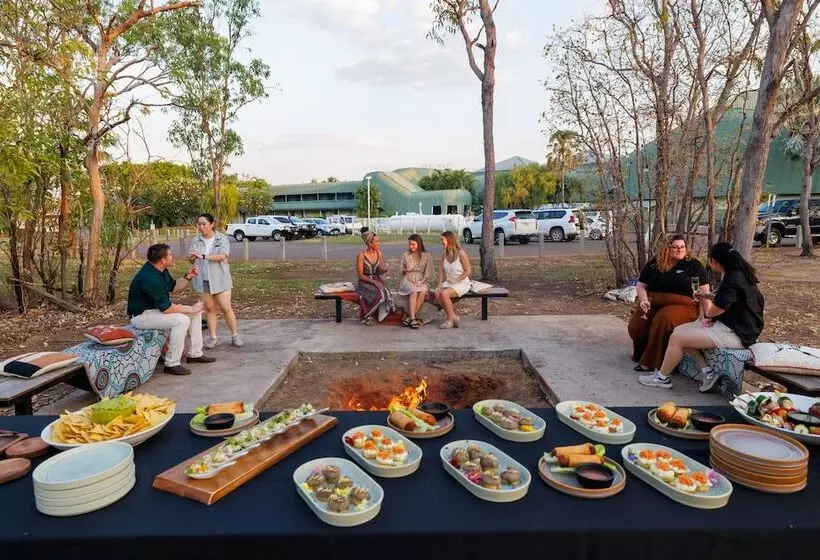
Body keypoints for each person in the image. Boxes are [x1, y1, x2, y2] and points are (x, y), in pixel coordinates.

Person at [639, 242, 765, 392]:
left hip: (737, 333)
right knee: (678, 331)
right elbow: (729, 301)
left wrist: (709, 314)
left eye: (710, 261)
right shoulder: (738, 273)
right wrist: (706, 295)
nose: (710, 264)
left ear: (715, 261)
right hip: (734, 325)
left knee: (677, 339)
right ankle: (708, 373)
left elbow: (715, 309)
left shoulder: (733, 280)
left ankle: (662, 378)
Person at [127, 243, 216, 376]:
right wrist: (190, 308)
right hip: (141, 316)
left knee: (195, 313)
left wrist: (187, 276)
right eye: (170, 255)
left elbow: (173, 286)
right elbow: (167, 309)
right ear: (163, 260)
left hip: (154, 311)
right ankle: (172, 363)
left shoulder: (159, 269)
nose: (172, 256)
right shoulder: (149, 278)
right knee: (182, 320)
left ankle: (195, 354)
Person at [628, 234, 710, 372]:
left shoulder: (694, 265)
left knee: (664, 318)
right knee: (637, 324)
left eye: (682, 247)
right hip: (653, 301)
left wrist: (707, 314)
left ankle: (652, 362)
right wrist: (644, 300)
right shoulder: (654, 264)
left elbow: (704, 290)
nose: (680, 250)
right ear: (666, 248)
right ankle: (640, 354)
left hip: (684, 305)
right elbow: (641, 285)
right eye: (675, 247)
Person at [188, 213, 243, 349]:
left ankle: (235, 335)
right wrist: (192, 258)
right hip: (202, 279)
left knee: (225, 308)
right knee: (210, 308)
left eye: (204, 224)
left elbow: (222, 256)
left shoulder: (221, 238)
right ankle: (213, 337)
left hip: (220, 279)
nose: (201, 227)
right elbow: (191, 259)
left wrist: (203, 256)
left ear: (212, 224)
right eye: (199, 224)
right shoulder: (196, 240)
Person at [356, 228, 394, 325]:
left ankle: (379, 315)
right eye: (376, 242)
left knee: (386, 293)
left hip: (377, 280)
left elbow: (378, 270)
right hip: (364, 281)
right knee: (378, 295)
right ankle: (368, 315)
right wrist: (373, 282)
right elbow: (360, 275)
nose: (379, 243)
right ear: (370, 243)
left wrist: (384, 270)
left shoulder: (379, 254)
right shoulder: (361, 255)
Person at [434, 231, 471, 329]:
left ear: (449, 240)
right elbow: (441, 270)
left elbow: (468, 271)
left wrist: (457, 280)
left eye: (442, 240)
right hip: (450, 282)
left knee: (444, 294)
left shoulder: (461, 253)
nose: (441, 242)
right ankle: (454, 316)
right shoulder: (444, 253)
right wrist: (440, 284)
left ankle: (449, 320)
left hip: (462, 283)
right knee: (437, 293)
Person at [397, 234, 433, 329]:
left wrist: (421, 281)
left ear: (419, 244)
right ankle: (413, 318)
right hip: (407, 280)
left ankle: (409, 317)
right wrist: (406, 270)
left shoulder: (427, 256)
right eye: (409, 244)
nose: (411, 246)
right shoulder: (405, 255)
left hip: (421, 280)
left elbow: (427, 273)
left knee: (422, 291)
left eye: (413, 244)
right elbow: (400, 272)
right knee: (414, 291)